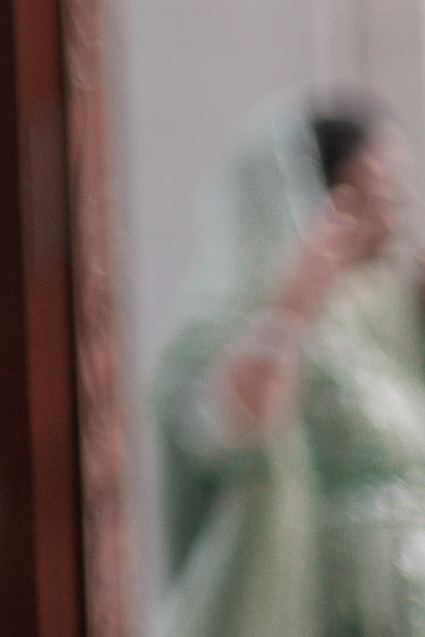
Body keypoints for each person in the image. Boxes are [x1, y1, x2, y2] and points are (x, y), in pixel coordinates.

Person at [158, 95, 424, 637]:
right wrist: (296, 301)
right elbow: (230, 428)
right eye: (371, 196)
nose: (392, 219)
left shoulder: (384, 319)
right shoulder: (227, 326)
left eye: (397, 194)